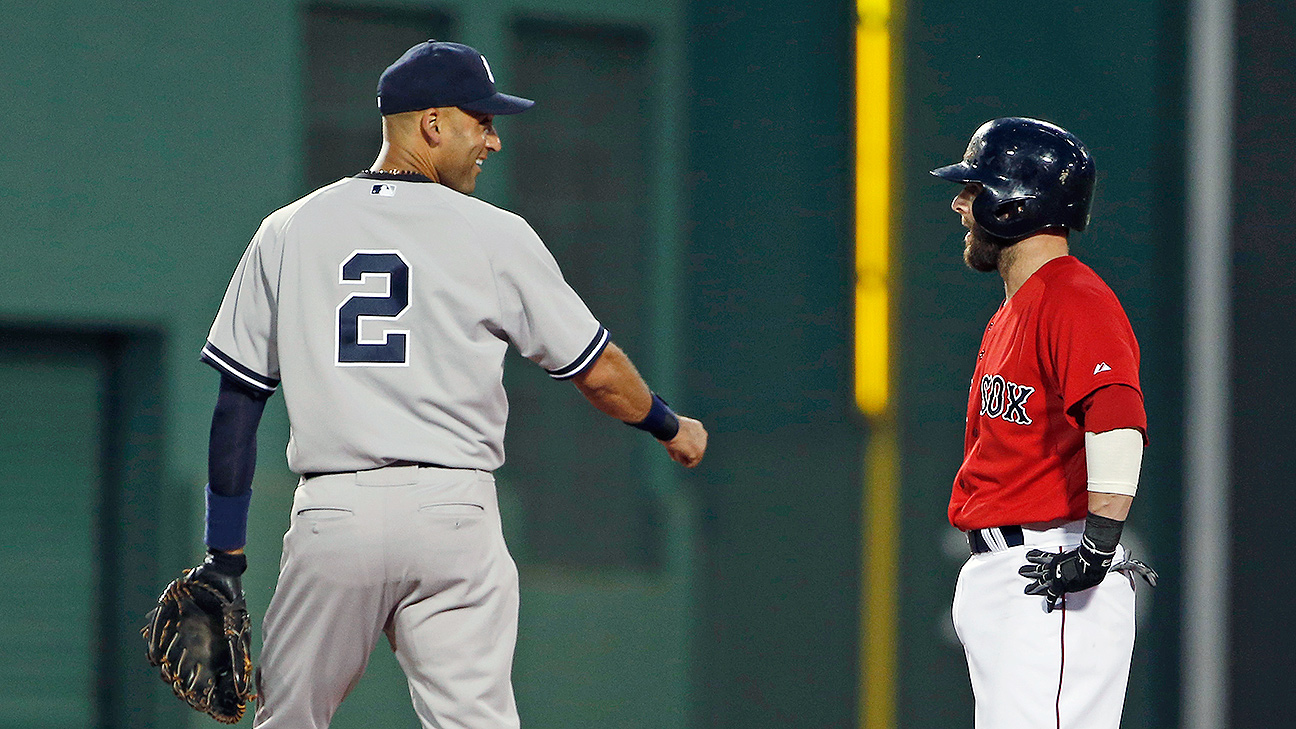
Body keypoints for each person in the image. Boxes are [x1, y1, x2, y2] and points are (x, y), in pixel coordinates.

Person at [194, 40, 707, 728]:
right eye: (482, 120)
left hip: (334, 514)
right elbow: (601, 372)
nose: (493, 140)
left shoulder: (287, 230)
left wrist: (224, 554)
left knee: (288, 720)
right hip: (453, 512)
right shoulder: (495, 234)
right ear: (432, 124)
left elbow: (238, 402)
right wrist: (669, 425)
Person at [931, 117, 1155, 728]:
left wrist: (1096, 550)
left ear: (1013, 203)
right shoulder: (1018, 309)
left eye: (974, 190)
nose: (960, 203)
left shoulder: (1072, 297)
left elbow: (1116, 421)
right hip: (1013, 571)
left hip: (1051, 568)